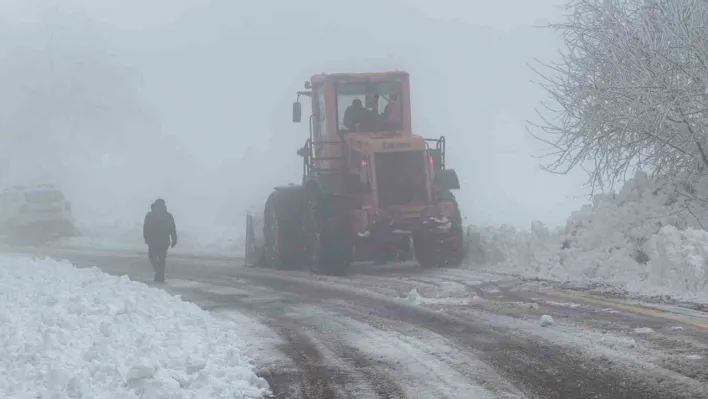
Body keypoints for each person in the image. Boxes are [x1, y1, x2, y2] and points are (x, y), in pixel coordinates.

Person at [143, 198, 177, 283]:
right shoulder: (168, 216)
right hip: (163, 241)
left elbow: (145, 228)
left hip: (153, 241)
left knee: (152, 257)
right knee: (162, 258)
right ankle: (160, 275)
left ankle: (159, 273)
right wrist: (174, 239)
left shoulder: (150, 215)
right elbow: (172, 228)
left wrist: (146, 238)